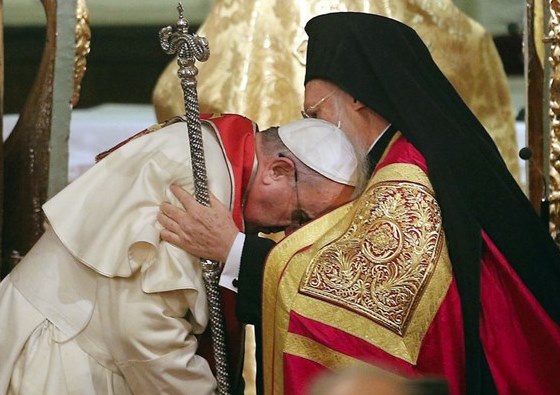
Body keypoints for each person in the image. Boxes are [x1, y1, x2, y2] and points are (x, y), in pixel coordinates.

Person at [158, 12, 560, 395]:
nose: (314, 127)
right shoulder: (404, 157)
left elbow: (348, 305)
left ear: (358, 100)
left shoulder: (408, 175)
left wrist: (234, 251)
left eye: (316, 111)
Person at [0, 114, 358, 395]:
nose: (289, 235)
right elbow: (144, 328)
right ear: (278, 171)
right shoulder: (199, 190)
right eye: (299, 218)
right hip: (60, 357)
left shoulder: (214, 150)